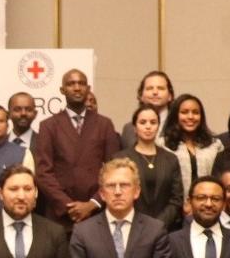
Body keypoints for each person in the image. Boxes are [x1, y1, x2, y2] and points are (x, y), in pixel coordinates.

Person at [34, 69, 122, 227]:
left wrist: (93, 203)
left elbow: (114, 170)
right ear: (62, 90)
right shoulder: (48, 126)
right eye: (71, 84)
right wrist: (68, 206)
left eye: (81, 83)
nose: (76, 88)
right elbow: (43, 173)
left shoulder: (104, 124)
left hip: (97, 212)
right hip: (59, 214)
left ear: (88, 89)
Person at [117, 103, 184, 230]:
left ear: (158, 126)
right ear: (135, 127)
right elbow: (119, 194)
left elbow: (176, 199)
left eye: (153, 122)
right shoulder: (120, 158)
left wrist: (157, 224)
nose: (148, 126)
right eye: (143, 122)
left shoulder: (171, 159)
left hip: (164, 228)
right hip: (130, 227)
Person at [162, 93, 224, 201]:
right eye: (184, 112)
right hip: (173, 205)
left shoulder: (215, 145)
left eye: (195, 112)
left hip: (208, 205)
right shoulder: (163, 144)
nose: (190, 117)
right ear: (175, 115)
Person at [120, 71, 175, 149]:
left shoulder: (179, 125)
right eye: (149, 88)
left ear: (170, 96)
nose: (155, 92)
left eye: (160, 88)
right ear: (141, 96)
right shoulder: (129, 129)